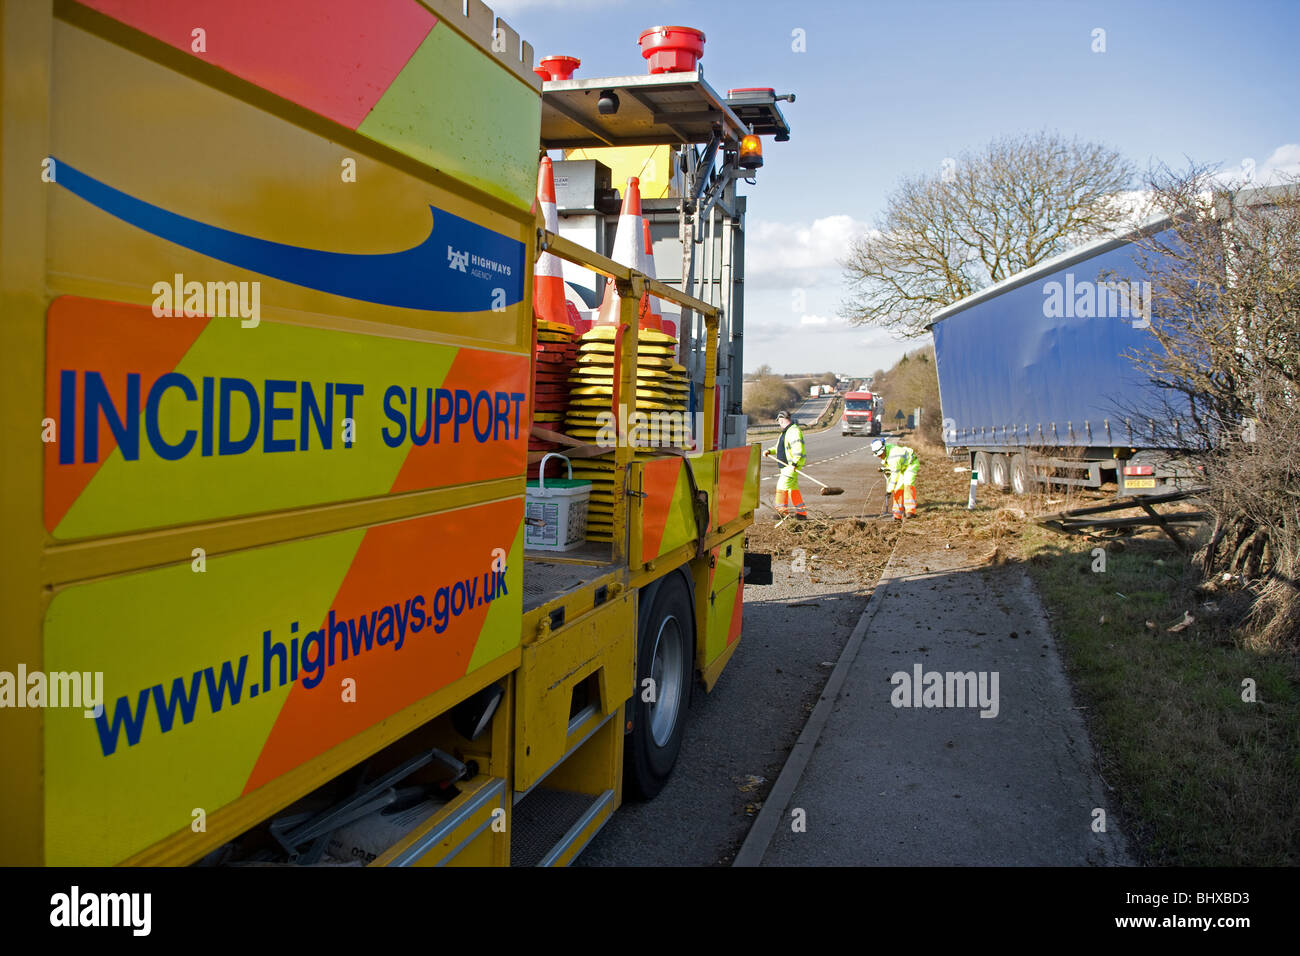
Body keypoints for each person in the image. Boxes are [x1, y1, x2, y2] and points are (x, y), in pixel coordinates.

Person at [764, 410, 807, 520]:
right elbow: (779, 448)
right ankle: (801, 514)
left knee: (781, 487)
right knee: (793, 489)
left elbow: (798, 449)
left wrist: (794, 463)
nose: (779, 423)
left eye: (779, 421)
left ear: (781, 420)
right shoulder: (786, 432)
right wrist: (770, 451)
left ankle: (781, 513)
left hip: (791, 466)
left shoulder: (794, 431)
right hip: (786, 466)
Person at [872, 437, 919, 520]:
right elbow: (891, 466)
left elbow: (894, 476)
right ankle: (897, 515)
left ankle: (910, 512)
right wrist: (885, 468)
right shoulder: (887, 448)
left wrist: (889, 490)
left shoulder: (894, 456)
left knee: (908, 484)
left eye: (880, 455)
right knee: (898, 489)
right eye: (878, 455)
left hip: (910, 464)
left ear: (883, 450)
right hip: (900, 467)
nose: (879, 457)